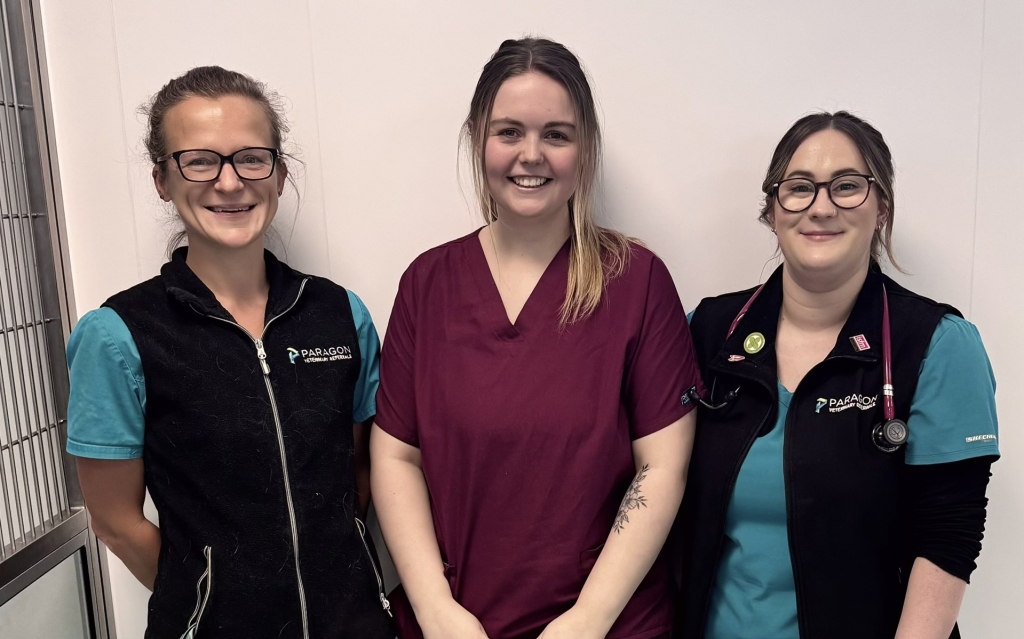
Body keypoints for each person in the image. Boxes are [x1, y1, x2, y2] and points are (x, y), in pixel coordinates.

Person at [370, 37, 703, 639]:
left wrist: (588, 620)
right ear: (478, 139)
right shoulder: (428, 284)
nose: (531, 155)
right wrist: (436, 609)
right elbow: (396, 455)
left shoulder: (635, 280)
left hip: (607, 625)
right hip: (458, 624)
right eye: (509, 133)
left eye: (556, 134)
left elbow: (662, 467)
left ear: (585, 147)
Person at [65, 66, 394, 639]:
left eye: (250, 157)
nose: (229, 182)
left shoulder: (342, 314)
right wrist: (207, 599)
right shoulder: (118, 335)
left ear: (279, 172)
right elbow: (116, 522)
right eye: (199, 160)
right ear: (162, 180)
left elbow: (361, 477)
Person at [673, 111, 999, 639]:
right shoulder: (706, 332)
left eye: (847, 186)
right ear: (772, 211)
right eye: (799, 188)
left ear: (882, 209)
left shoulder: (937, 345)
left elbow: (948, 537)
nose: (821, 207)